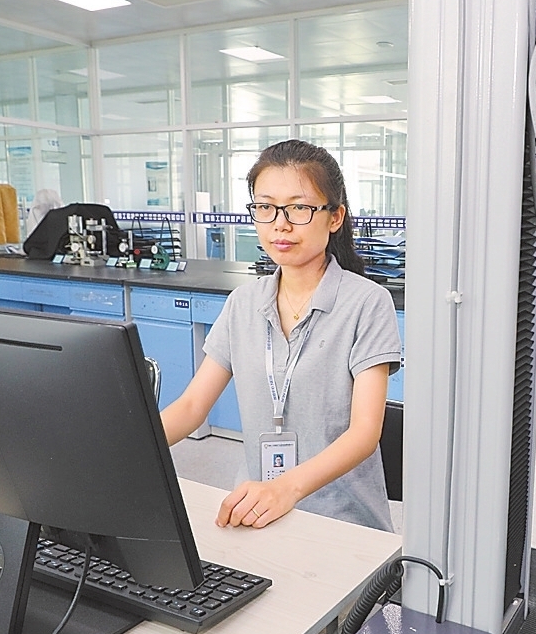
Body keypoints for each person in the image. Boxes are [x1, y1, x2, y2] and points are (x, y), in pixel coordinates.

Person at [160, 140, 400, 532]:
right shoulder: (243, 303)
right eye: (266, 207)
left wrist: (285, 489)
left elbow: (364, 433)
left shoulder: (367, 303)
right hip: (256, 510)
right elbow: (191, 407)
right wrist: (125, 453)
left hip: (340, 519)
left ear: (335, 217)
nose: (280, 224)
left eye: (299, 208)